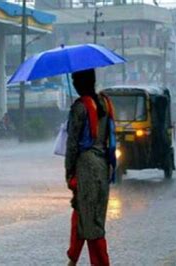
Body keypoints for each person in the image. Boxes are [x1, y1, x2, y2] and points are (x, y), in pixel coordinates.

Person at [65, 69, 116, 266]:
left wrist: (69, 172)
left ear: (80, 83)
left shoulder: (80, 108)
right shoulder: (105, 102)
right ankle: (72, 259)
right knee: (83, 214)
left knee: (91, 222)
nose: (73, 83)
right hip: (103, 166)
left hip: (86, 168)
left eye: (75, 79)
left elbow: (72, 145)